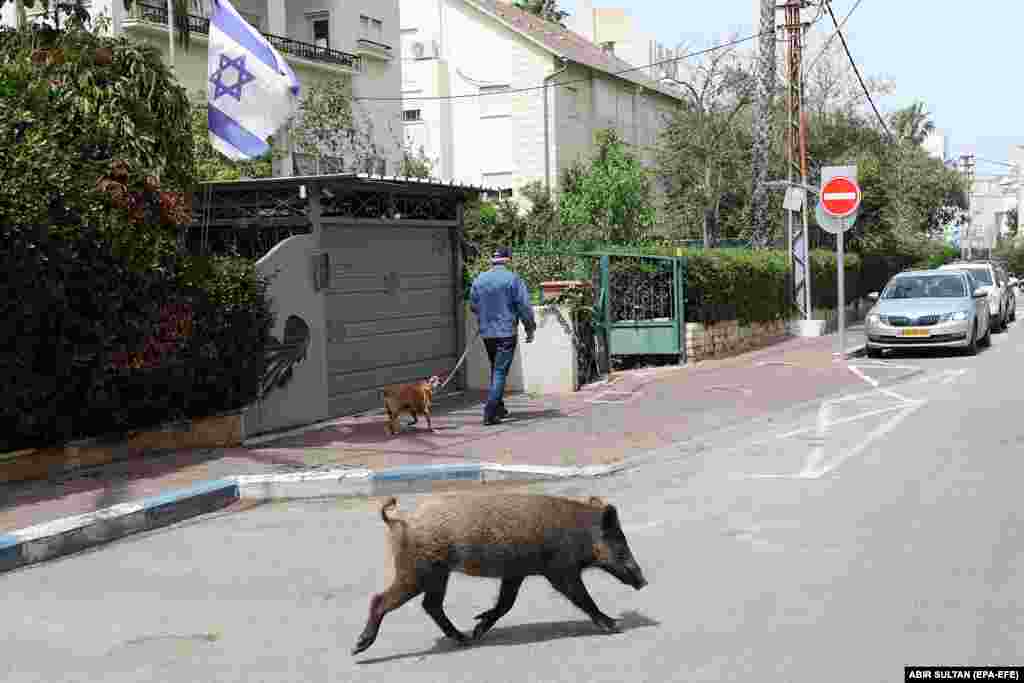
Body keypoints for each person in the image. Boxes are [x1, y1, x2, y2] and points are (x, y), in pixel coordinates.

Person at [469, 246, 537, 425]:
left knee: (496, 368)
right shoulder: (513, 279)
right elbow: (524, 307)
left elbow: (474, 306)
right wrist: (530, 328)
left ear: (493, 260)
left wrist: (485, 316)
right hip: (506, 332)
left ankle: (499, 407)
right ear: (507, 260)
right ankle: (490, 412)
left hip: (487, 333)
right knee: (500, 371)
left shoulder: (479, 279)